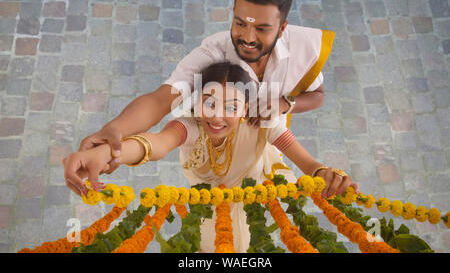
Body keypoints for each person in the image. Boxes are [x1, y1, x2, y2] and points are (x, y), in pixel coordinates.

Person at [65, 0, 335, 200]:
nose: (248, 38)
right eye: (240, 24)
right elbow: (161, 103)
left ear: (283, 27)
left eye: (262, 29)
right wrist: (112, 134)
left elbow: (318, 96)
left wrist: (285, 104)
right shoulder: (210, 60)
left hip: (266, 147)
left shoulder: (304, 50)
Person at [63, 62, 359, 253]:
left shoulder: (263, 123)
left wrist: (325, 174)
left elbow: (308, 163)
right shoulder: (188, 126)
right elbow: (155, 143)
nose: (217, 116)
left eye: (231, 107)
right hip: (208, 203)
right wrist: (105, 152)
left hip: (253, 194)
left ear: (247, 109)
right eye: (210, 102)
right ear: (197, 101)